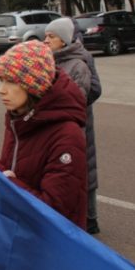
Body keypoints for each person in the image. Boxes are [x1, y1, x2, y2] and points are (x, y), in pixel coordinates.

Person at [0, 40, 88, 229]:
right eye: (1, 81)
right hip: (21, 234)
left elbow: (54, 210)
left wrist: (6, 181)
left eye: (10, 81)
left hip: (49, 248)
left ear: (33, 85)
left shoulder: (66, 135)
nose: (1, 90)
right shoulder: (19, 120)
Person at [45, 17, 101, 234]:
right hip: (61, 124)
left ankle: (89, 218)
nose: (46, 40)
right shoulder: (52, 60)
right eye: (46, 35)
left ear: (65, 39)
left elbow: (84, 93)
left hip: (77, 123)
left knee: (84, 167)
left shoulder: (79, 61)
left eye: (51, 36)